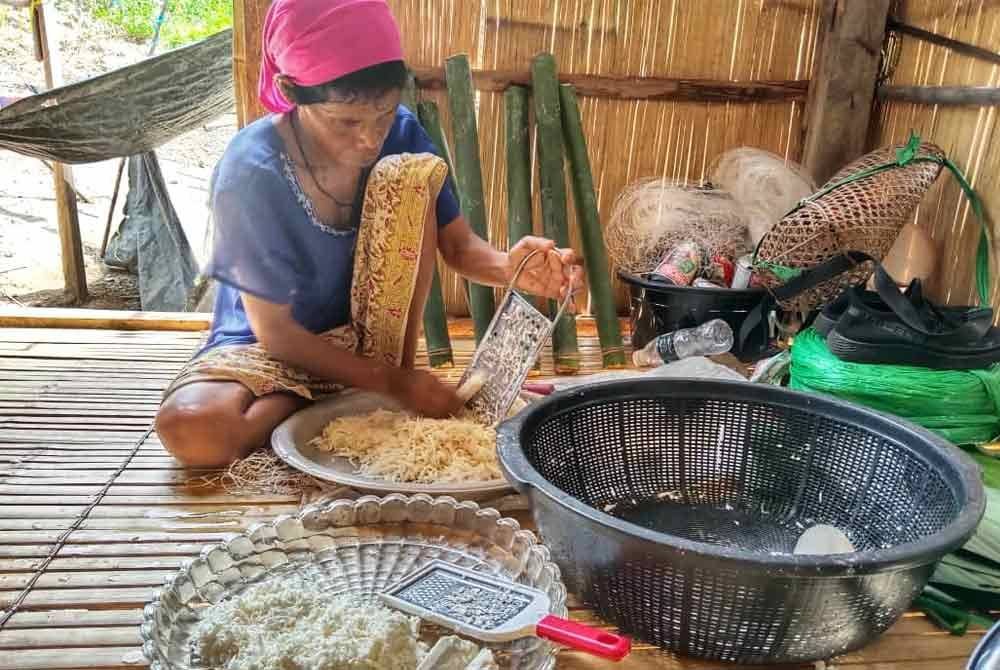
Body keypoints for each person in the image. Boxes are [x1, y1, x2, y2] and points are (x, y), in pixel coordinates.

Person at [154, 0, 582, 468]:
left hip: (370, 344)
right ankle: (332, 396)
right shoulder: (250, 171)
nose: (369, 139)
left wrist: (511, 268)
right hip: (272, 349)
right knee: (192, 429)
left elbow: (458, 246)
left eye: (382, 113)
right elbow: (275, 333)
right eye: (347, 121)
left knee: (409, 174)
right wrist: (395, 385)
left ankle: (348, 391)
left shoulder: (402, 133)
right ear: (290, 92)